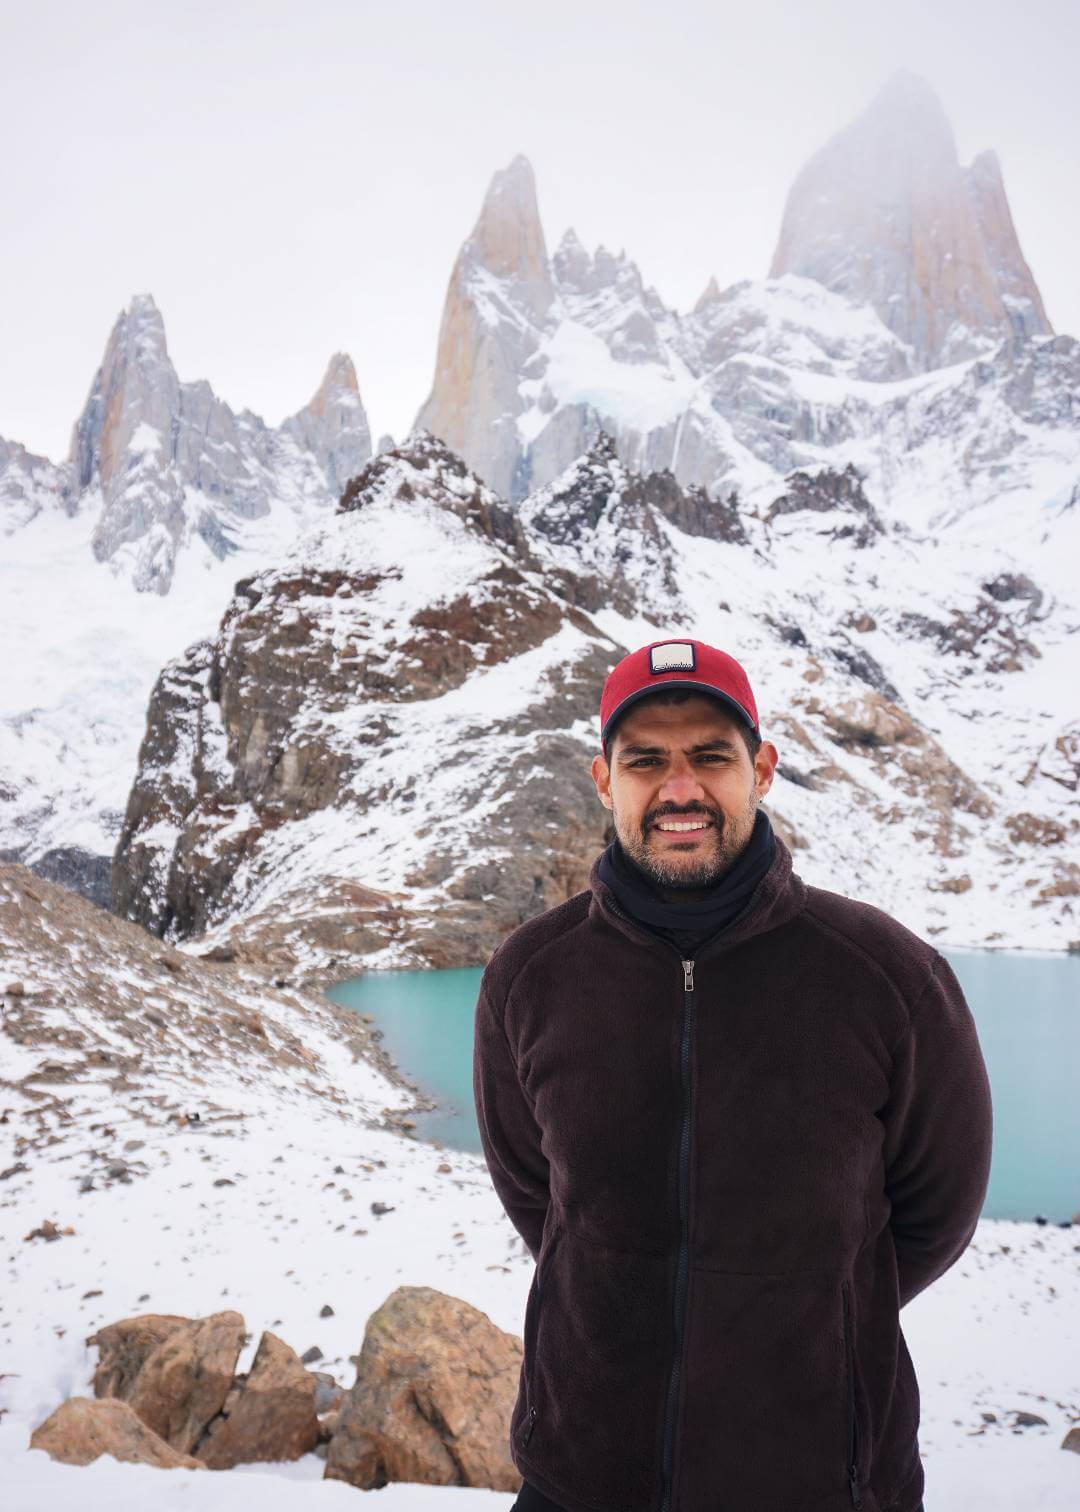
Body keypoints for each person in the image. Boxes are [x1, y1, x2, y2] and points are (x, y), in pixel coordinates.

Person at [473, 637, 993, 1512]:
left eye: (711, 757)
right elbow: (540, 1195)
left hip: (827, 1484)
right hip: (584, 1480)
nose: (681, 790)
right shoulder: (531, 976)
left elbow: (937, 1211)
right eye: (647, 761)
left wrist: (812, 1302)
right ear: (605, 781)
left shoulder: (886, 978)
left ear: (763, 768)